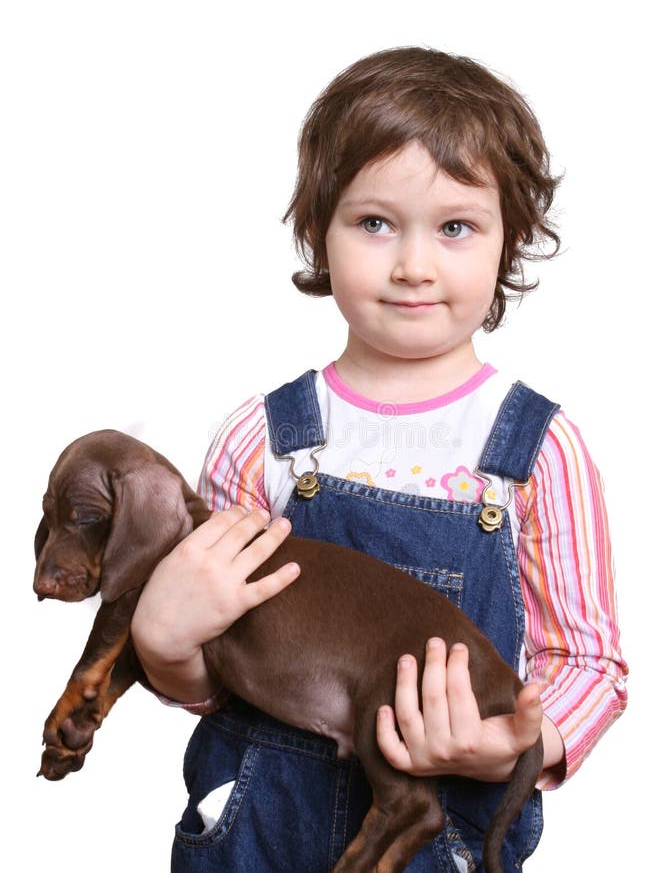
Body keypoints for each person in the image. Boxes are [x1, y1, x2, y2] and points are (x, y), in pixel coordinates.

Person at [131, 47, 628, 872]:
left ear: (511, 242)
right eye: (373, 223)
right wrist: (165, 646)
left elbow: (586, 662)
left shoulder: (538, 450)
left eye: (455, 227)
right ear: (317, 231)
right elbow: (223, 671)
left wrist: (507, 746)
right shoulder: (261, 439)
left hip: (439, 835)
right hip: (255, 835)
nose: (412, 265)